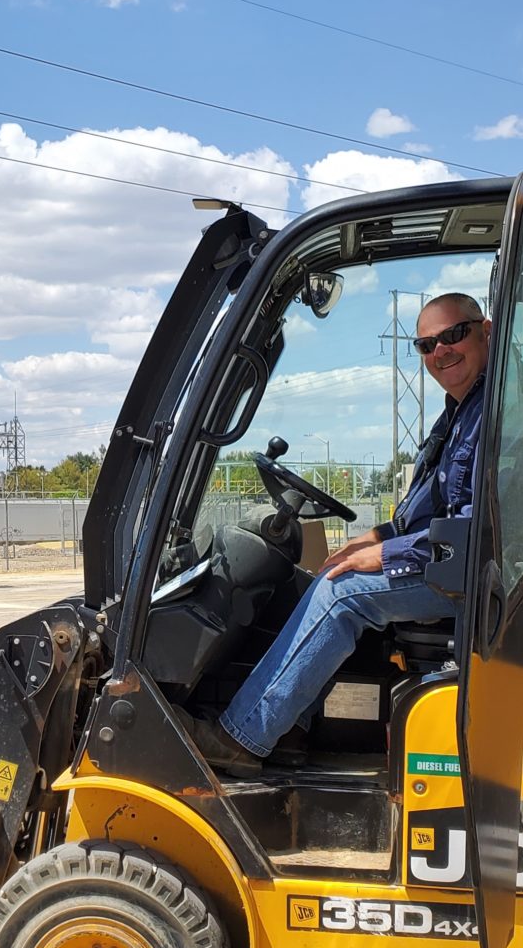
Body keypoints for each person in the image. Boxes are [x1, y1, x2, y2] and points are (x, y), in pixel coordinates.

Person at [183, 292, 493, 774]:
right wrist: (377, 537)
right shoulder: (461, 412)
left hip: (475, 574)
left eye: (453, 335)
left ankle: (241, 736)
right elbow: (432, 508)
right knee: (309, 581)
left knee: (341, 594)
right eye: (426, 345)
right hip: (456, 559)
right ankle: (291, 731)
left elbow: (478, 531)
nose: (441, 352)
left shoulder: (495, 414)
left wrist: (388, 556)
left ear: (486, 331)